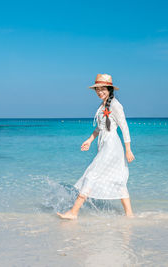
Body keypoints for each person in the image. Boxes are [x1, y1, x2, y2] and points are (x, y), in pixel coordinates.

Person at [57, 73, 135, 220]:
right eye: (97, 89)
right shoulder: (102, 105)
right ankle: (130, 215)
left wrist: (128, 149)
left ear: (110, 89)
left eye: (103, 89)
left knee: (91, 174)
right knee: (117, 179)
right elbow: (100, 128)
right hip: (105, 144)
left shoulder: (115, 105)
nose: (100, 92)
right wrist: (89, 140)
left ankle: (74, 212)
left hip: (112, 146)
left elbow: (124, 127)